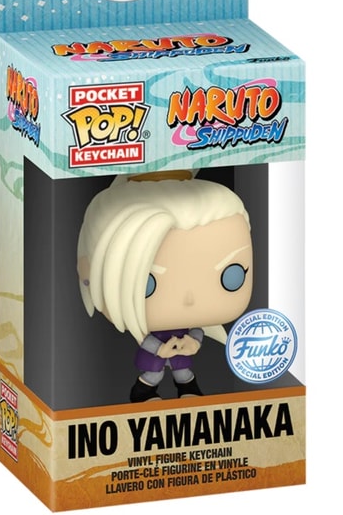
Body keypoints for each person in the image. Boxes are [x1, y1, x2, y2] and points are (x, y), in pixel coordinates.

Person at [77, 170, 253, 402]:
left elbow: (196, 331)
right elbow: (144, 339)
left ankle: (189, 392)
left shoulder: (191, 323)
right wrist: (160, 350)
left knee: (183, 373)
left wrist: (193, 342)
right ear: (89, 274)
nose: (189, 299)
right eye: (146, 283)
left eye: (232, 277)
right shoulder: (146, 328)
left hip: (180, 353)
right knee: (153, 375)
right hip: (156, 354)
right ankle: (143, 395)